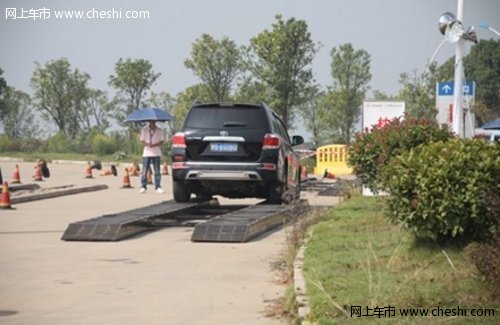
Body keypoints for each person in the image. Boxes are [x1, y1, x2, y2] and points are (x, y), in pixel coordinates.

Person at [139, 120, 165, 193]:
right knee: (144, 170)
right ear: (149, 122)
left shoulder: (160, 130)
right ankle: (143, 186)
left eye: (153, 121)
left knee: (157, 171)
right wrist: (147, 144)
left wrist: (154, 145)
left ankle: (158, 186)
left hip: (156, 152)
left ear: (155, 122)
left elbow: (162, 141)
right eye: (151, 121)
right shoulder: (144, 130)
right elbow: (142, 140)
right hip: (147, 153)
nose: (152, 123)